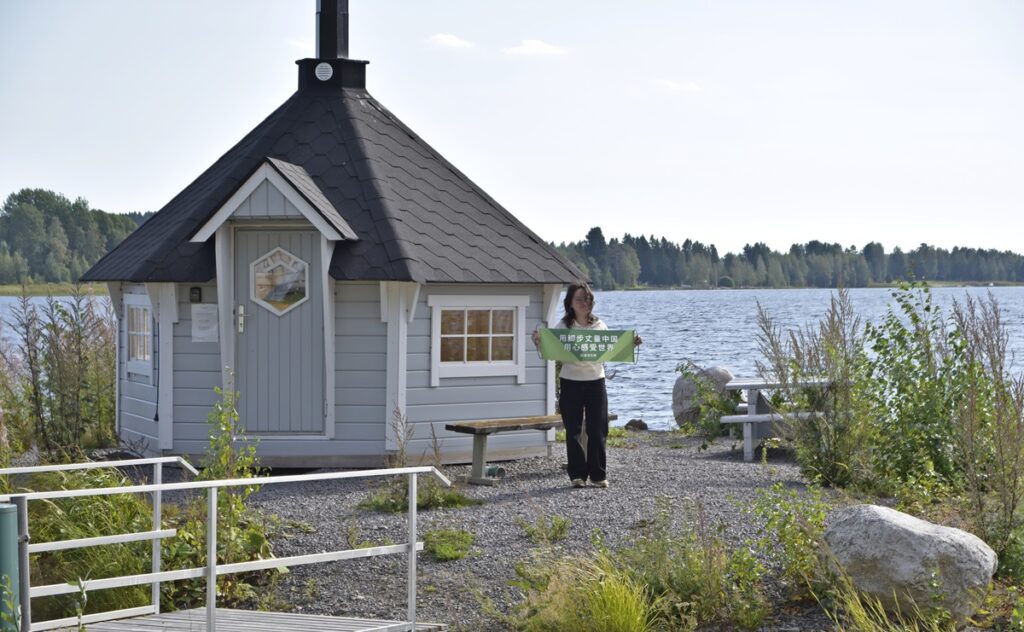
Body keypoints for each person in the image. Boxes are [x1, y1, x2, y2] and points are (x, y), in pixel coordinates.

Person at [531, 281, 642, 489]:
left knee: (598, 430)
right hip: (570, 382)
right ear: (570, 303)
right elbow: (549, 348)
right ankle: (577, 475)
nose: (585, 302)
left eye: (588, 298)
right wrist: (538, 341)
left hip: (595, 382)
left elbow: (614, 347)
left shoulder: (600, 325)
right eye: (580, 299)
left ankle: (598, 474)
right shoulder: (563, 327)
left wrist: (632, 343)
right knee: (572, 431)